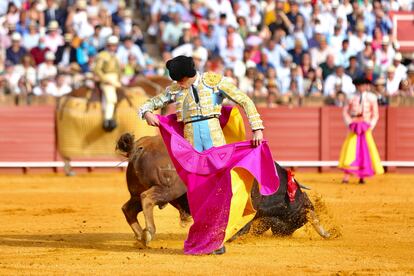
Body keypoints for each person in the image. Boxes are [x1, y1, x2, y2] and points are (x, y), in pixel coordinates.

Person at [139, 55, 274, 255]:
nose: (177, 83)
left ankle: (217, 239)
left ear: (185, 76)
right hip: (192, 154)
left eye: (179, 79)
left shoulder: (213, 82)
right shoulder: (175, 90)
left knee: (220, 195)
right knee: (198, 196)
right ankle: (210, 239)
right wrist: (147, 113)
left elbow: (244, 100)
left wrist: (257, 128)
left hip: (217, 150)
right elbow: (148, 104)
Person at [338, 78, 384, 184]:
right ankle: (346, 176)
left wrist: (370, 126)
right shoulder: (350, 96)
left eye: (363, 85)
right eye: (359, 85)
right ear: (356, 86)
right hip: (354, 125)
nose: (361, 87)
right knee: (350, 151)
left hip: (366, 126)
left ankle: (362, 176)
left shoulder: (372, 97)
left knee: (364, 152)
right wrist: (350, 124)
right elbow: (345, 112)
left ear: (367, 86)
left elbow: (375, 114)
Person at [93, 35, 122, 132]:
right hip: (106, 80)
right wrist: (105, 79)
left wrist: (119, 80)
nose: (112, 47)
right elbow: (97, 69)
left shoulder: (116, 57)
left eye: (114, 45)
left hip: (116, 80)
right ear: (107, 46)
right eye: (111, 45)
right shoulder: (102, 55)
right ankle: (107, 119)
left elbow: (118, 71)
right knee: (111, 98)